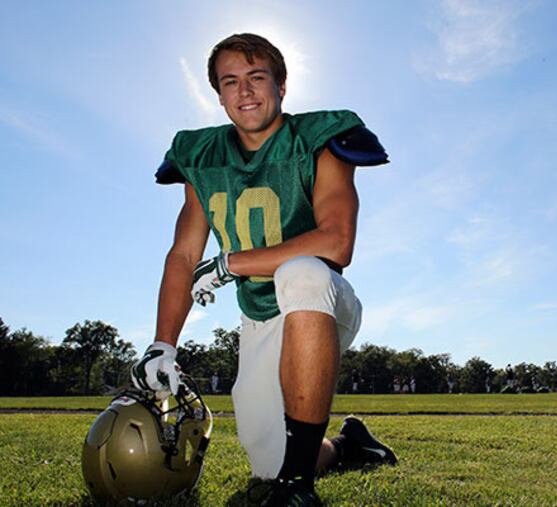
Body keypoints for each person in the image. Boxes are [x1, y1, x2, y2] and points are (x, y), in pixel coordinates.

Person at [130, 33, 396, 506]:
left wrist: (231, 263)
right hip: (259, 317)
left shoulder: (319, 138)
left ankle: (298, 491)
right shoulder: (203, 154)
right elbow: (183, 256)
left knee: (302, 271)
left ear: (282, 85)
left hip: (322, 302)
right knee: (271, 460)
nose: (245, 91)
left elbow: (336, 243)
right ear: (218, 94)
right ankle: (349, 445)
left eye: (257, 77)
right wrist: (162, 345)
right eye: (230, 82)